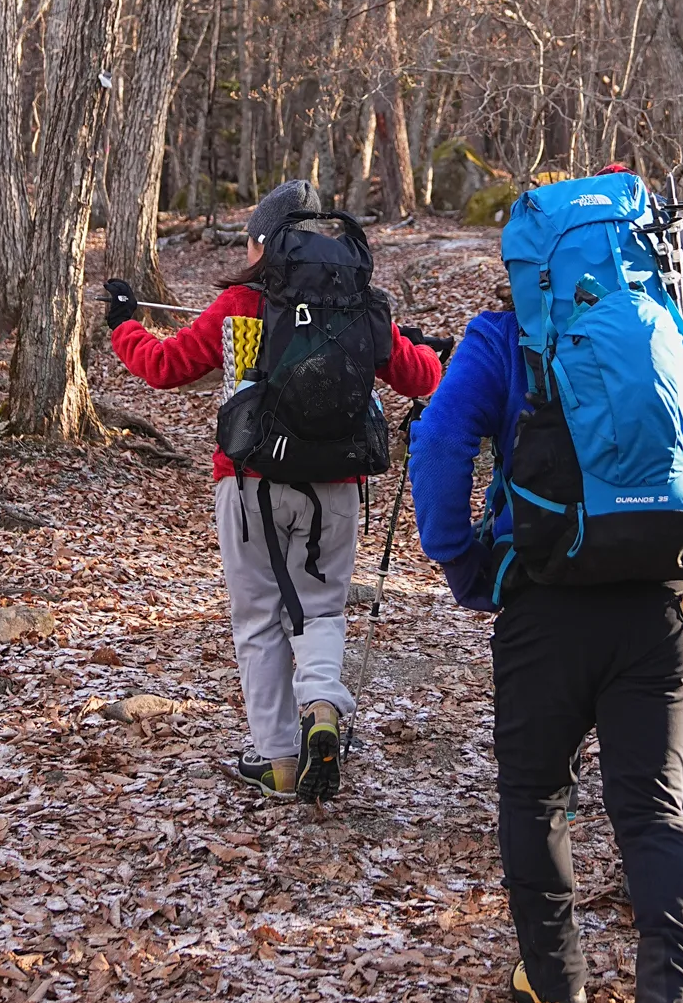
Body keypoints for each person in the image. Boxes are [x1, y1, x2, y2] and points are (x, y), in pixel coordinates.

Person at [409, 205, 683, 1003]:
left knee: (537, 792)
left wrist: (469, 565)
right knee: (653, 811)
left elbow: (439, 447)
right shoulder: (671, 327)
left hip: (544, 597)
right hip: (664, 602)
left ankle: (560, 993)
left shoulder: (504, 340)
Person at [104, 181, 443, 802]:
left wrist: (123, 323)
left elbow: (165, 367)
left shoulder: (241, 303)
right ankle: (320, 705)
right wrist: (413, 343)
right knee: (320, 609)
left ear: (265, 241)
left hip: (250, 484)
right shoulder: (360, 301)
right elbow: (421, 375)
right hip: (336, 487)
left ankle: (277, 757)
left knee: (259, 619)